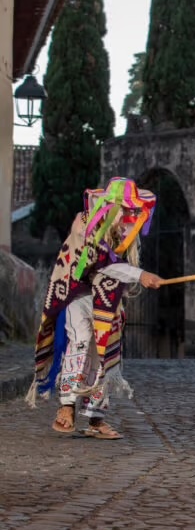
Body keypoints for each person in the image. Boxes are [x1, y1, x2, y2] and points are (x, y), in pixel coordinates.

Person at [27, 177, 163, 439]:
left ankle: (97, 419)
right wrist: (140, 275)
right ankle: (66, 407)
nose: (128, 215)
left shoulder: (121, 230)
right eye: (123, 209)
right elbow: (101, 264)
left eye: (131, 210)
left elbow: (112, 266)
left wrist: (137, 275)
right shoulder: (84, 225)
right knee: (81, 341)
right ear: (109, 206)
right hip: (76, 295)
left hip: (107, 299)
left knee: (104, 351)